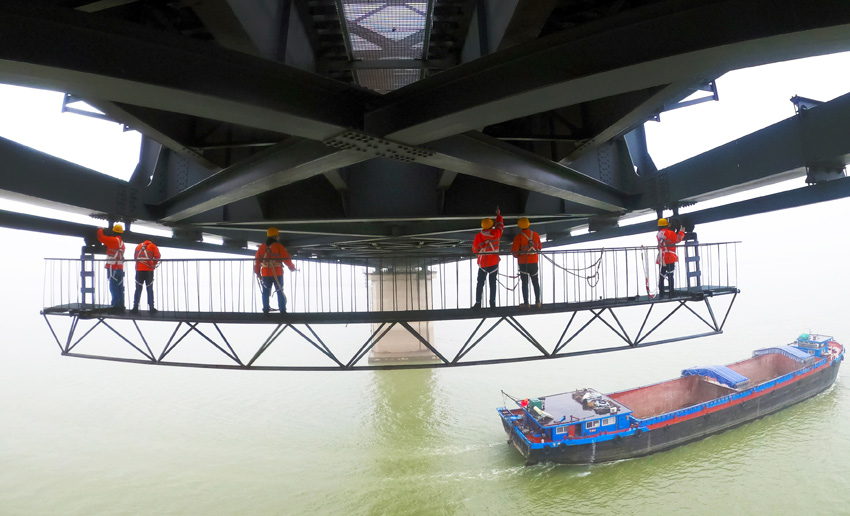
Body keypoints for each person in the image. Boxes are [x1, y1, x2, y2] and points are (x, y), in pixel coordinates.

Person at [254, 227, 296, 314]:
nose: (279, 238)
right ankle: (282, 310)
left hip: (266, 273)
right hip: (278, 273)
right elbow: (286, 258)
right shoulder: (278, 246)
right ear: (275, 237)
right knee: (279, 291)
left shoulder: (262, 247)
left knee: (265, 291)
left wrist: (258, 272)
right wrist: (291, 267)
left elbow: (257, 261)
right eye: (278, 236)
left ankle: (265, 309)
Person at [471, 208, 504, 308]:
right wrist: (498, 215)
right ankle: (492, 303)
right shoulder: (496, 233)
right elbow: (500, 226)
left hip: (483, 264)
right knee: (492, 284)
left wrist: (480, 254)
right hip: (494, 263)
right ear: (491, 225)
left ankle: (478, 303)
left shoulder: (478, 237)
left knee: (480, 284)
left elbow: (474, 250)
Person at [512, 217, 542, 307]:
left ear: (519, 226)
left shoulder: (518, 237)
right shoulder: (535, 235)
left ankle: (526, 303)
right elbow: (539, 247)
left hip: (523, 263)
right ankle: (538, 302)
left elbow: (515, 252)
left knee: (524, 283)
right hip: (534, 262)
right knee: (535, 282)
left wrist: (519, 256)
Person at [97, 223, 126, 313]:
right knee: (120, 287)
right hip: (120, 268)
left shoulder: (113, 240)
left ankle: (115, 305)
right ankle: (121, 304)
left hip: (113, 267)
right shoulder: (122, 244)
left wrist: (100, 229)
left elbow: (101, 238)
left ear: (114, 232)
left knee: (113, 286)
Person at [130, 239, 161, 314]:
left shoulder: (138, 246)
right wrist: (153, 264)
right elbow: (157, 257)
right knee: (149, 289)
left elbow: (135, 257)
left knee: (138, 289)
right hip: (149, 270)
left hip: (139, 270)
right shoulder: (153, 246)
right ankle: (151, 308)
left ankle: (135, 308)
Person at [656, 217, 685, 297]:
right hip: (669, 257)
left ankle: (661, 292)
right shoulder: (670, 233)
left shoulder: (658, 234)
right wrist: (681, 232)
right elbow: (678, 239)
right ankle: (671, 292)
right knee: (670, 275)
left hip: (661, 257)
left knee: (661, 275)